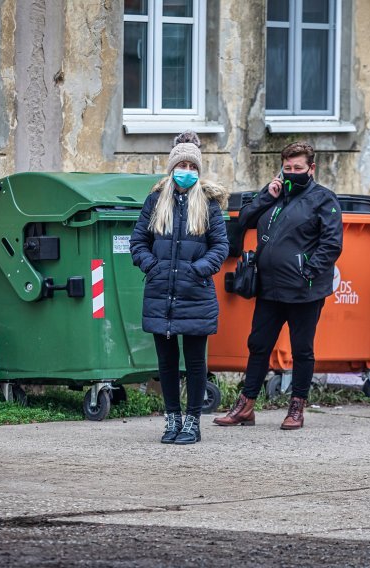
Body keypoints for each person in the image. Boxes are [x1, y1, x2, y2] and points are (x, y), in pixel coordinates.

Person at [214, 142, 343, 430]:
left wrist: (306, 271)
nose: (292, 173)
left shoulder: (324, 199)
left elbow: (332, 244)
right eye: (287, 168)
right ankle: (246, 405)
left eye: (298, 168)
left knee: (301, 349)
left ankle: (297, 406)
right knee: (258, 345)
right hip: (269, 287)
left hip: (304, 290)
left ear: (312, 168)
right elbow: (244, 221)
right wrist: (266, 196)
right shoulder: (275, 194)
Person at [130, 132, 229, 444]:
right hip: (162, 292)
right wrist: (152, 265)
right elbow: (138, 242)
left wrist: (198, 270)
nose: (186, 170)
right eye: (181, 164)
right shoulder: (156, 202)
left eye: (192, 165)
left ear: (198, 171)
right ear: (171, 168)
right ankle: (172, 419)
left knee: (196, 361)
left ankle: (193, 422)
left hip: (196, 293)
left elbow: (220, 247)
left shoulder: (209, 205)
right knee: (166, 362)